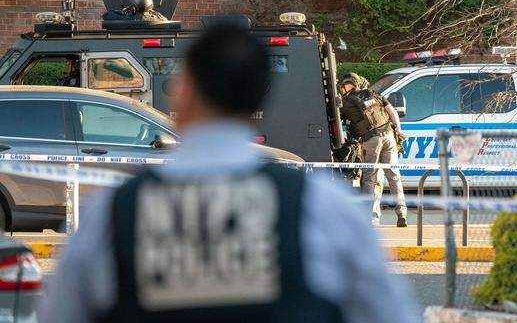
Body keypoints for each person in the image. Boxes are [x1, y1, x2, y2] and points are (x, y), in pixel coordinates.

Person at [39, 25, 419, 323]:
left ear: (183, 92)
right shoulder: (323, 208)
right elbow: (390, 313)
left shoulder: (110, 216)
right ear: (259, 99)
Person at [339, 73, 407, 227]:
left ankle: (371, 217)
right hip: (389, 135)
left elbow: (337, 119)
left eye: (344, 86)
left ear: (349, 85)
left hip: (371, 139)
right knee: (394, 176)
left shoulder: (347, 101)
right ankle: (402, 213)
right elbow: (393, 113)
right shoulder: (373, 94)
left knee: (370, 178)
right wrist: (399, 131)